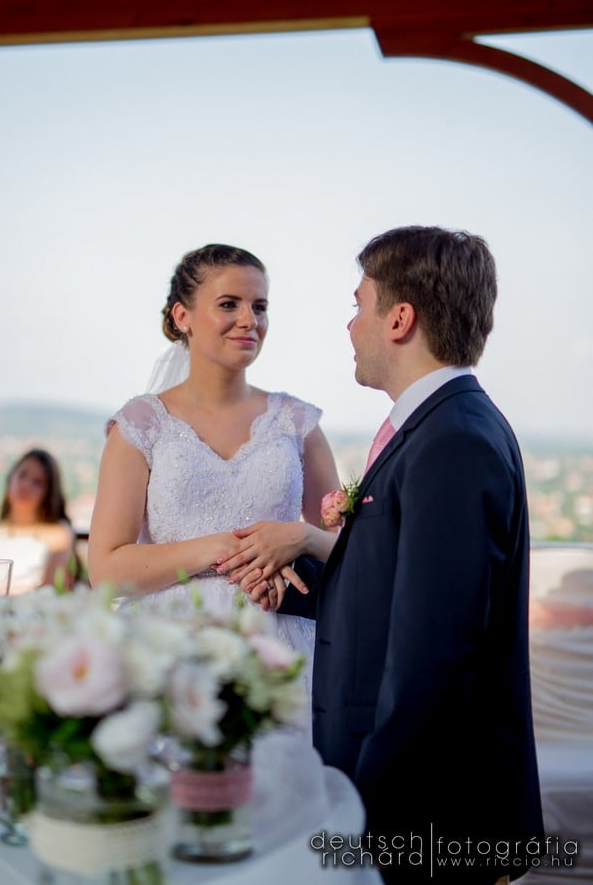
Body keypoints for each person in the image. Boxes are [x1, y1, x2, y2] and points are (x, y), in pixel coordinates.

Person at [218, 226, 543, 883]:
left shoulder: (453, 441)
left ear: (399, 319)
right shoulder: (435, 427)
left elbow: (436, 653)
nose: (349, 324)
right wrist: (302, 580)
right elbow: (401, 587)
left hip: (428, 813)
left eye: (358, 303)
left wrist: (372, 813)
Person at [87, 243, 340, 665]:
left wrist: (301, 538)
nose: (249, 320)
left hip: (280, 646)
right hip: (169, 648)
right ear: (181, 316)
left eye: (259, 307)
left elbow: (347, 548)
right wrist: (222, 547)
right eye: (228, 304)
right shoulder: (142, 424)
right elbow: (106, 571)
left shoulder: (296, 423)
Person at [0, 448, 76, 595]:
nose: (26, 485)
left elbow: (54, 590)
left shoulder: (58, 534)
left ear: (49, 493)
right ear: (11, 478)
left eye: (37, 482)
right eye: (22, 475)